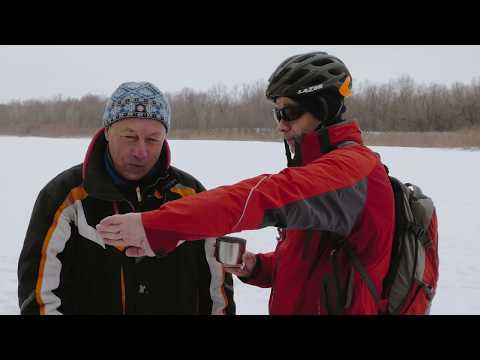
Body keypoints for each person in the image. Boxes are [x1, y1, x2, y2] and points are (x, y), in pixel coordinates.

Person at [96, 53, 395, 315]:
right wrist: (258, 267)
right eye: (277, 113)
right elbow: (315, 264)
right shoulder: (322, 173)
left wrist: (157, 226)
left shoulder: (352, 170)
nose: (281, 124)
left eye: (288, 112)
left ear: (324, 108)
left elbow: (263, 196)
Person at [17, 81, 235, 315]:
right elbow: (40, 297)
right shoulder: (65, 198)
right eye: (130, 137)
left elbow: (217, 292)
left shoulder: (191, 196)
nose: (141, 151)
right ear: (108, 132)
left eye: (153, 139)